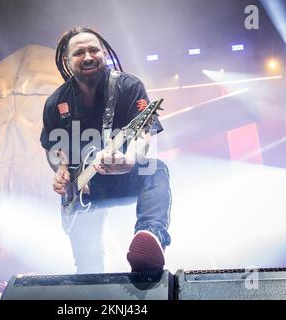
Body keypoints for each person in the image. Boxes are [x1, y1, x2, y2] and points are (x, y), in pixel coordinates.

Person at [40, 26, 171, 273]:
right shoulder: (56, 102)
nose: (88, 56)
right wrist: (61, 170)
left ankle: (150, 236)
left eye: (94, 50)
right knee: (88, 267)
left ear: (103, 53)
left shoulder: (128, 86)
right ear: (67, 61)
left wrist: (131, 159)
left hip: (120, 173)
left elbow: (142, 132)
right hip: (83, 190)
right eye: (79, 52)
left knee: (155, 170)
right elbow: (52, 147)